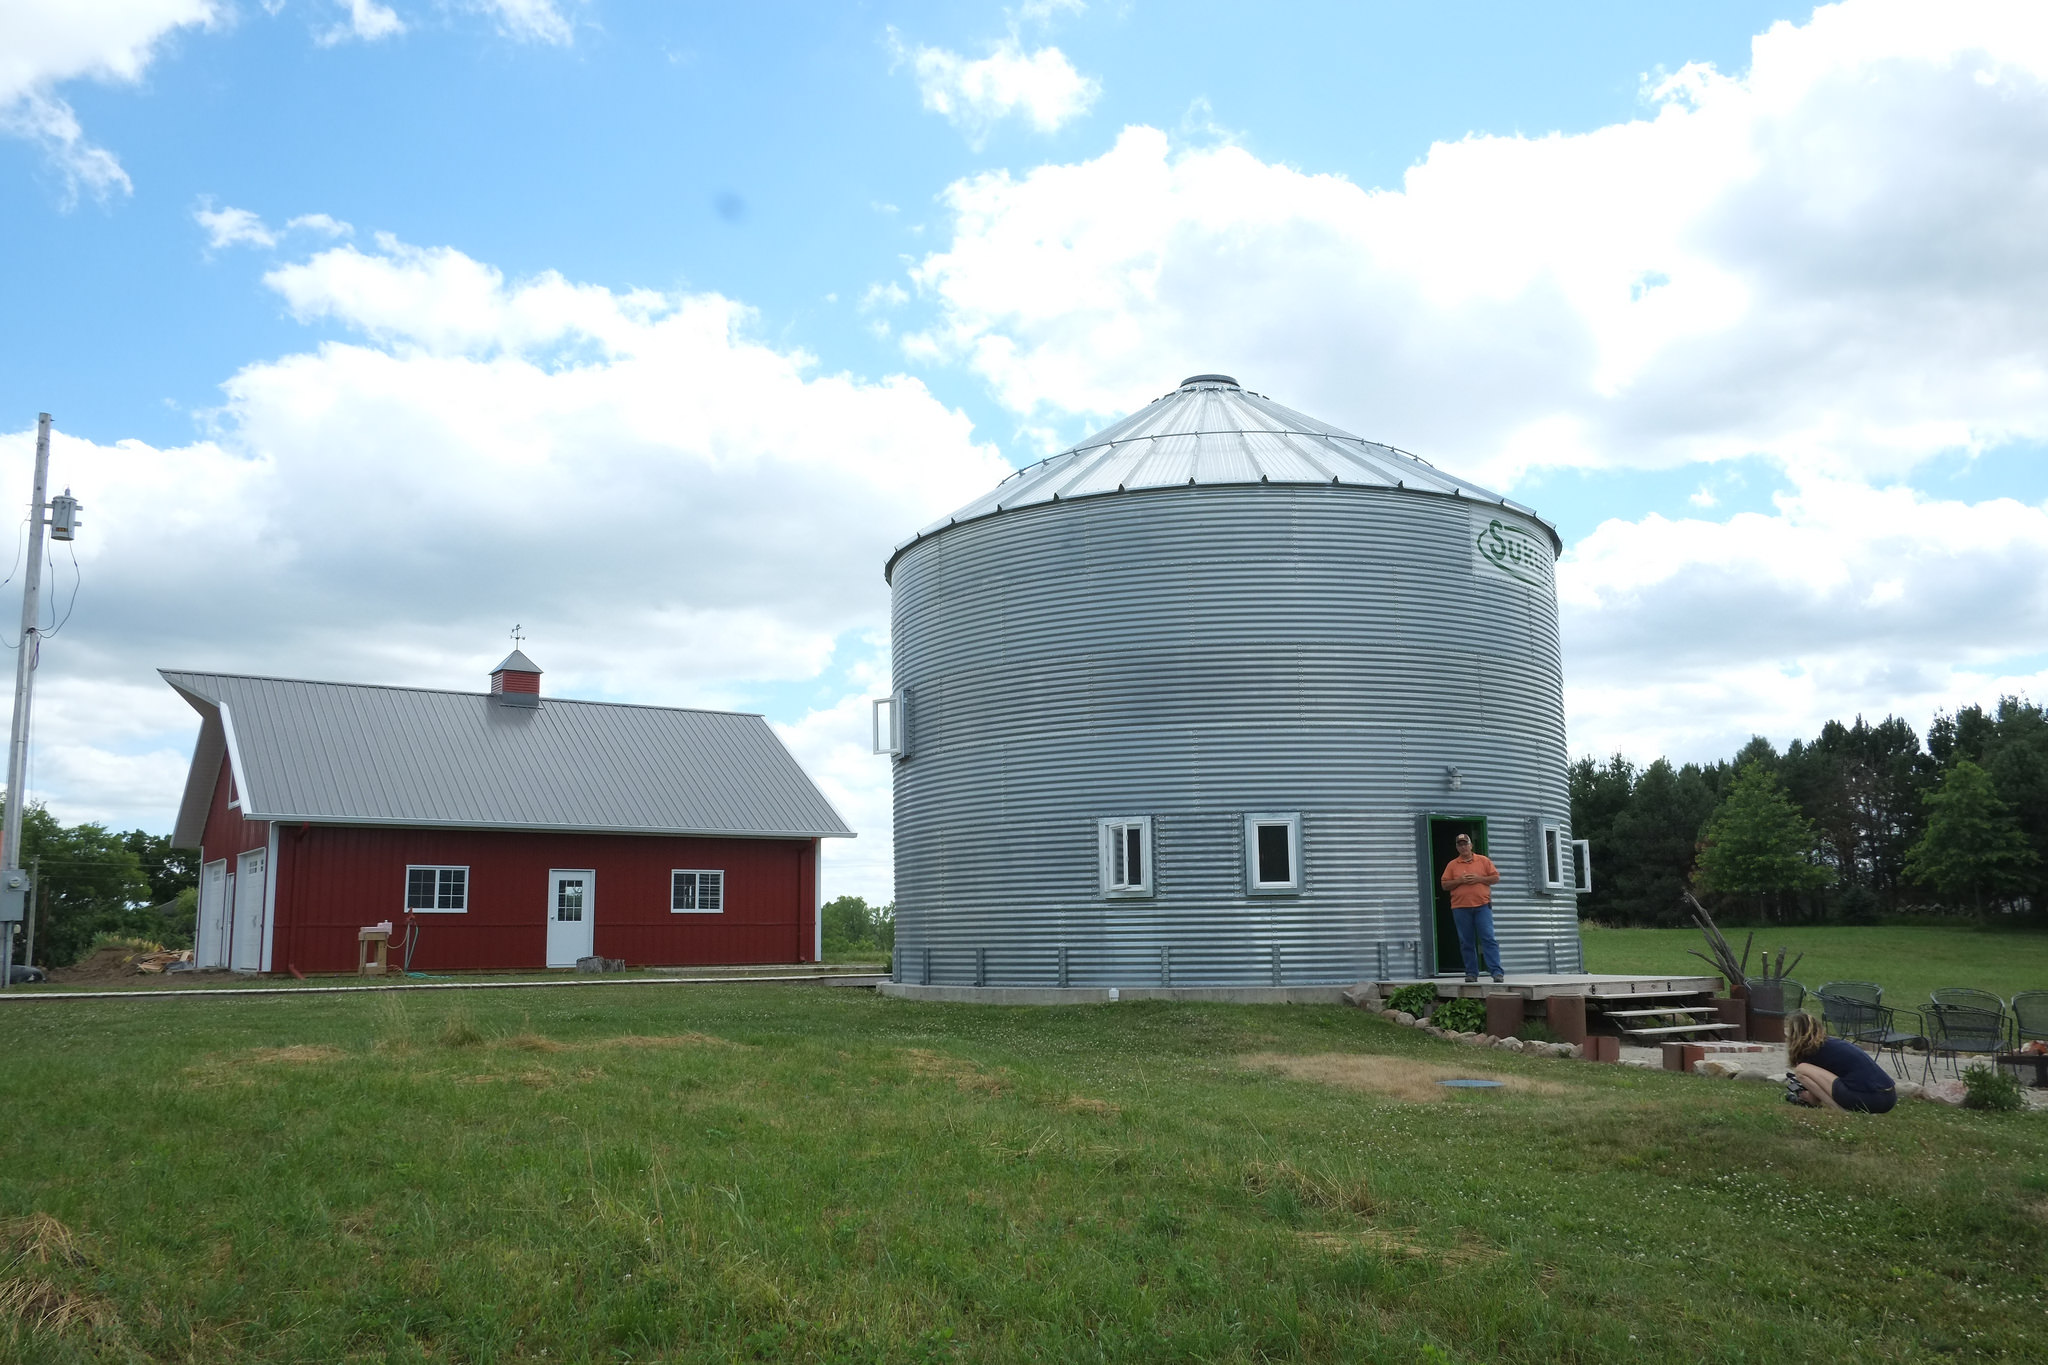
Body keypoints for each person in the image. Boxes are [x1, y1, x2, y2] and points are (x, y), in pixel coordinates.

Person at [1784, 1011, 1897, 1113]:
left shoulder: (1812, 1052)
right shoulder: (1830, 1044)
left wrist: (1807, 1097)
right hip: (1889, 1097)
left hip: (1870, 1098)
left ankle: (1838, 1110)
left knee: (1801, 1070)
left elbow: (1814, 1100)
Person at [1439, 832, 1503, 983]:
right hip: (1460, 907)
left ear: (1471, 845)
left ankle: (1496, 972)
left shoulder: (1483, 861)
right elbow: (1444, 885)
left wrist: (1479, 879)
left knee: (1488, 938)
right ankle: (1471, 973)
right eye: (1459, 844)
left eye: (1465, 843)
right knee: (1466, 941)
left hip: (1482, 906)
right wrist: (1460, 880)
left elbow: (1495, 877)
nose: (1463, 847)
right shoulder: (1452, 865)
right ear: (1457, 847)